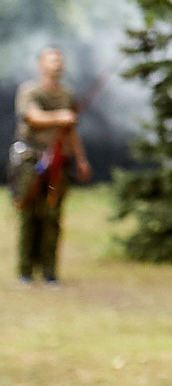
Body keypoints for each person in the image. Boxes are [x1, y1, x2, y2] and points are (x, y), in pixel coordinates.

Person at [13, 43, 89, 284]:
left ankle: (49, 272)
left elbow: (71, 131)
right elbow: (33, 117)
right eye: (51, 60)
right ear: (41, 64)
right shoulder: (29, 91)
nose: (56, 65)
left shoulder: (67, 95)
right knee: (29, 214)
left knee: (52, 215)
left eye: (59, 60)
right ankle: (26, 271)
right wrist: (59, 116)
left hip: (59, 163)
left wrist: (80, 158)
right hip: (31, 161)